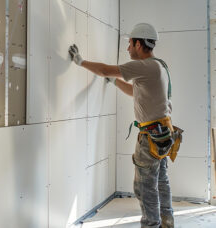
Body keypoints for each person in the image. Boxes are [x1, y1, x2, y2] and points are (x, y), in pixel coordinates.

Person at [69, 23, 175, 228]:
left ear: (138, 43)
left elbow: (104, 69)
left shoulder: (145, 66)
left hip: (151, 137)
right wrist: (114, 82)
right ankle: (167, 223)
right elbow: (137, 93)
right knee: (161, 182)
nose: (127, 48)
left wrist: (80, 61)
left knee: (144, 187)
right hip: (163, 134)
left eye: (129, 44)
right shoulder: (158, 66)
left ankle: (151, 225)